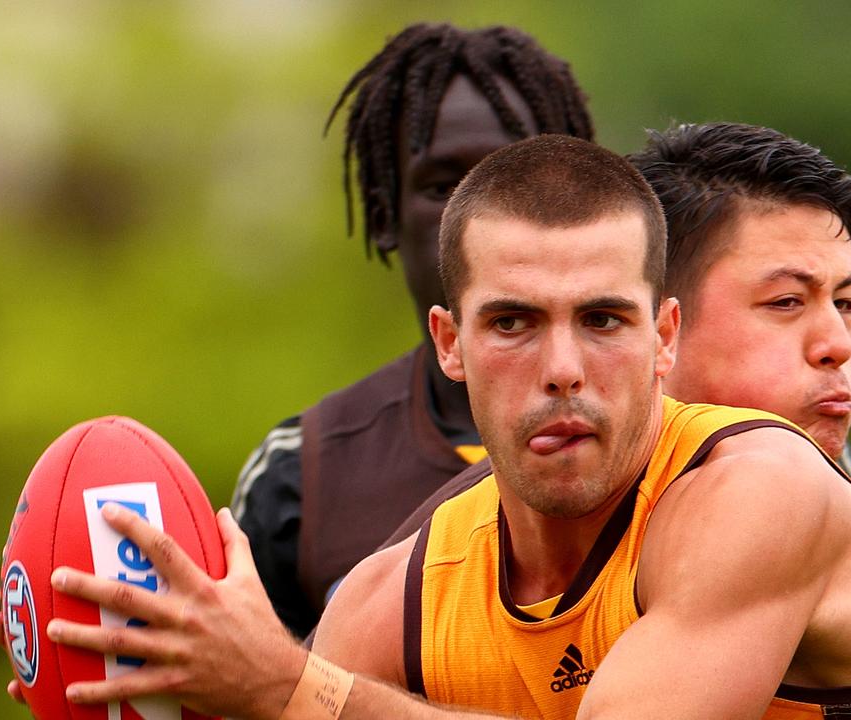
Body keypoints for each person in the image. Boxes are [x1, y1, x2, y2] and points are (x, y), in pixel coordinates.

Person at [23, 135, 851, 719]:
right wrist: (130, 668)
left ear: (663, 338)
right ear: (450, 342)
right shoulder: (388, 599)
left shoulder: (764, 488)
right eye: (513, 322)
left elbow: (307, 702)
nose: (562, 368)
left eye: (602, 319)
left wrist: (283, 688)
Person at [379, 123, 851, 716]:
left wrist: (322, 696)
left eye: (847, 303)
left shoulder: (796, 489)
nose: (837, 342)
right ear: (662, 329)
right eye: (786, 302)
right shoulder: (428, 558)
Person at [230, 22, 593, 636]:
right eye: (441, 185)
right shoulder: (303, 475)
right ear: (383, 217)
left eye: (514, 179)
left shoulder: (690, 443)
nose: (482, 218)